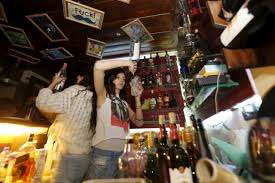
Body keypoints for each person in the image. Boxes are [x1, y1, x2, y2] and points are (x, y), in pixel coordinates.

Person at [86, 59, 144, 179]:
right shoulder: (103, 96)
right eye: (118, 77)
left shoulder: (124, 103)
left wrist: (138, 98)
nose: (122, 80)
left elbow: (139, 122)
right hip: (103, 155)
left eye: (123, 78)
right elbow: (98, 66)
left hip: (121, 155)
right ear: (111, 79)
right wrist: (127, 63)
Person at [36, 69, 96, 183]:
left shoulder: (76, 90)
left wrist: (53, 83)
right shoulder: (95, 98)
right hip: (83, 156)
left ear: (82, 78)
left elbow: (43, 102)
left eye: (79, 77)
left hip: (69, 157)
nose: (77, 78)